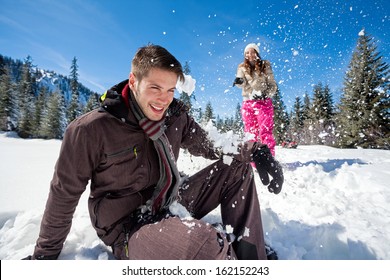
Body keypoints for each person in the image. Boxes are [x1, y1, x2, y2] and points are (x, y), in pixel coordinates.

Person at [25, 44, 283, 260]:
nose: (164, 99)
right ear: (133, 81)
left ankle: (251, 256)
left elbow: (209, 144)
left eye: (170, 90)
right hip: (130, 226)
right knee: (203, 244)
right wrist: (44, 256)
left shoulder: (174, 116)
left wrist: (254, 150)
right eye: (155, 88)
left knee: (236, 168)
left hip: (169, 200)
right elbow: (64, 194)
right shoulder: (92, 130)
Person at [233, 43, 278, 156]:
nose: (250, 54)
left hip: (263, 103)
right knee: (250, 133)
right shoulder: (242, 67)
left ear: (257, 53)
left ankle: (269, 158)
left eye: (252, 52)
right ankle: (253, 160)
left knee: (265, 131)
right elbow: (241, 82)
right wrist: (239, 82)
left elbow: (273, 85)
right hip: (248, 103)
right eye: (247, 52)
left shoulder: (265, 65)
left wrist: (265, 94)